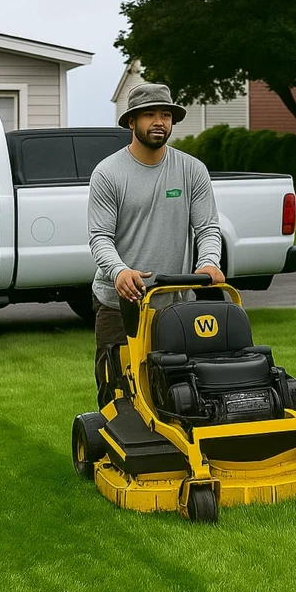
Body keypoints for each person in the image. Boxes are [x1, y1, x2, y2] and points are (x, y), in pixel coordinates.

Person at [87, 83, 225, 408]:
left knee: (178, 387)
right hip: (121, 305)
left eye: (165, 114)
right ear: (132, 122)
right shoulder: (108, 173)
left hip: (175, 302)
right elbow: (100, 238)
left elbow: (207, 228)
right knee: (116, 388)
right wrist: (119, 271)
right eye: (149, 115)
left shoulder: (192, 170)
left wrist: (208, 262)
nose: (159, 121)